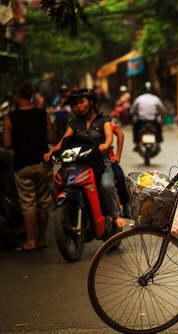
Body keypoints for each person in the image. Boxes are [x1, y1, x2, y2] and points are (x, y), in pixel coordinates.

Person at [43, 89, 127, 229]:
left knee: (107, 185)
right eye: (75, 104)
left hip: (100, 161)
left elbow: (109, 138)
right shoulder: (74, 123)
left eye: (82, 102)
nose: (78, 106)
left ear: (91, 102)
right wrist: (51, 151)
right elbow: (64, 141)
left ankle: (115, 215)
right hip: (78, 162)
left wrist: (106, 145)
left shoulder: (103, 119)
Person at [2, 82, 55, 251]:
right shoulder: (42, 114)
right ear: (31, 95)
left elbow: (7, 144)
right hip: (43, 164)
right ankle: (41, 240)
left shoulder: (10, 117)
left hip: (23, 166)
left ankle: (30, 241)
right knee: (43, 202)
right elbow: (51, 137)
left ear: (17, 96)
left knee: (28, 204)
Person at [130, 83, 166, 152]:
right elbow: (162, 110)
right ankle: (158, 143)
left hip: (141, 121)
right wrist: (162, 114)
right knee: (159, 128)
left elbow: (133, 110)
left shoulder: (139, 98)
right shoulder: (155, 99)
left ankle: (137, 144)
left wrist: (133, 114)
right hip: (153, 121)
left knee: (135, 128)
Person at [109, 120, 130, 217]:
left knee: (119, 176)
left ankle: (126, 206)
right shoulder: (75, 123)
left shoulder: (104, 121)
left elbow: (120, 133)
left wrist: (118, 155)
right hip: (84, 161)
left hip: (107, 159)